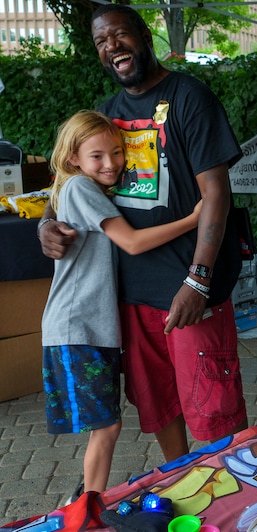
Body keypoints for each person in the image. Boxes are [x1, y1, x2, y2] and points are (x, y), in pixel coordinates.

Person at [38, 4, 248, 465]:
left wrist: (198, 281)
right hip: (130, 298)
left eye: (119, 34)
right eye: (101, 41)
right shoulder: (108, 114)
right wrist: (46, 226)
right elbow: (68, 185)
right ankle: (179, 477)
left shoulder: (190, 97)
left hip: (188, 291)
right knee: (157, 405)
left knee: (215, 407)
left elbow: (216, 194)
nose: (112, 46)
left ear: (143, 34)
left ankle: (237, 492)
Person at [42, 110, 202, 494]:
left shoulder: (85, 190)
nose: (111, 163)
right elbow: (131, 242)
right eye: (97, 155)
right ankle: (88, 506)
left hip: (92, 329)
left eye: (117, 152)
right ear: (73, 160)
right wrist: (194, 219)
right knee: (108, 426)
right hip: (78, 327)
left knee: (107, 424)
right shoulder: (80, 188)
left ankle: (87, 500)